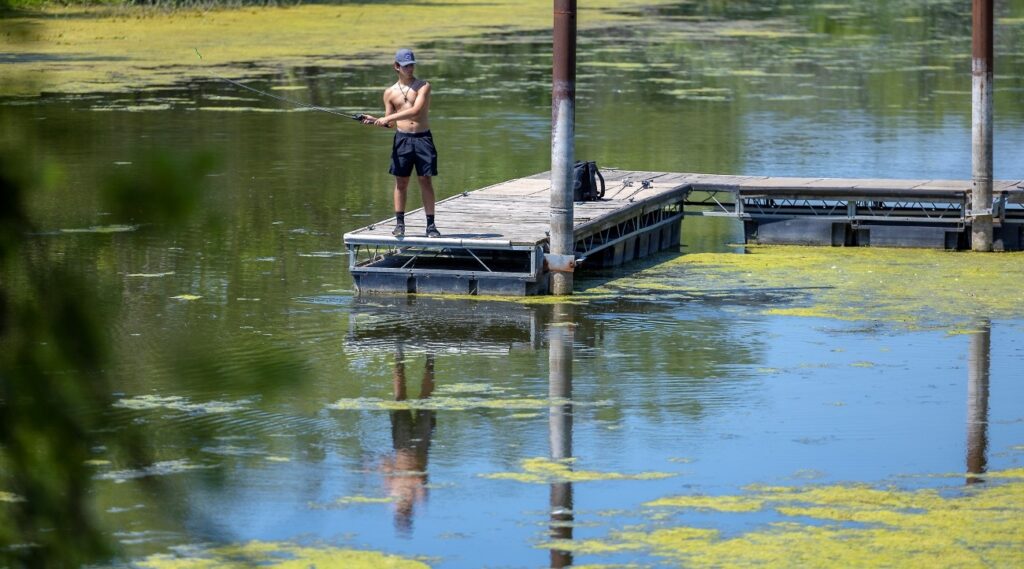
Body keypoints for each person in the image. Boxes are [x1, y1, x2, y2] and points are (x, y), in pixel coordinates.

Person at [362, 48, 440, 238]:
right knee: (401, 182)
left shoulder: (423, 86)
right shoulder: (389, 93)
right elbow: (389, 122)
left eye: (412, 65)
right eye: (406, 66)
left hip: (423, 138)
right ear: (396, 67)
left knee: (425, 180)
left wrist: (388, 118)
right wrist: (375, 120)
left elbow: (415, 110)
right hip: (402, 140)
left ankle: (431, 226)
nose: (410, 69)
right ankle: (400, 224)